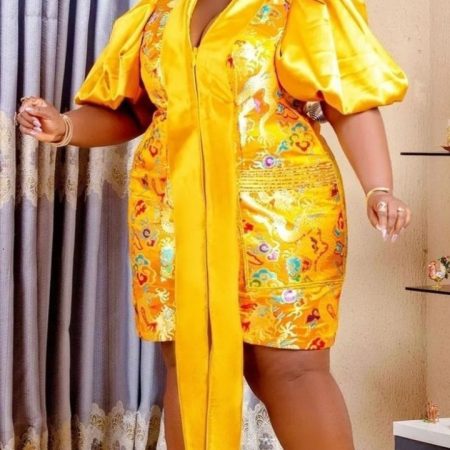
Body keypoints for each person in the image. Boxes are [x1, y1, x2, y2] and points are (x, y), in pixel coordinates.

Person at [16, 0, 412, 449]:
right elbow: (134, 111)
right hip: (173, 211)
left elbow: (348, 100)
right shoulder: (155, 14)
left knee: (290, 367)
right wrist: (64, 126)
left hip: (280, 212)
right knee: (189, 362)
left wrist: (378, 187)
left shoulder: (299, 7)